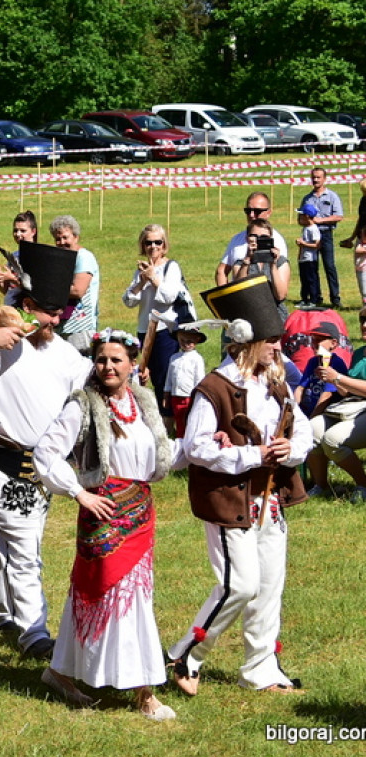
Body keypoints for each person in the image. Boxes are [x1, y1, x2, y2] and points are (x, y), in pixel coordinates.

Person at [0, 242, 91, 658]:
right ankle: (33, 633)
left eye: (61, 311)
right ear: (26, 305)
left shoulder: (65, 355)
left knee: (14, 540)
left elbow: (89, 391)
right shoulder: (2, 344)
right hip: (4, 459)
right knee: (24, 548)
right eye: (48, 310)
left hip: (44, 467)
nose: (56, 319)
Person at [167, 275, 311, 696]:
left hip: (271, 500)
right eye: (270, 340)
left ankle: (261, 669)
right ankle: (186, 654)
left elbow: (302, 432)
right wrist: (253, 456)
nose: (278, 347)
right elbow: (195, 448)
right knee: (240, 584)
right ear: (246, 340)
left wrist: (289, 449)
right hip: (230, 500)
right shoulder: (213, 388)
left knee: (268, 587)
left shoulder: (275, 381)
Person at [34, 329, 179, 720]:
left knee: (135, 601)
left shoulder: (143, 402)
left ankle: (103, 678)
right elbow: (46, 454)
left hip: (140, 513)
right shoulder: (83, 406)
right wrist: (79, 493)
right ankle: (135, 689)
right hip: (102, 511)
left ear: (133, 365)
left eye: (116, 359)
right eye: (101, 359)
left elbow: (158, 455)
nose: (108, 366)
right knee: (99, 595)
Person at [121, 224, 185, 410]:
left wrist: (154, 278)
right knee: (145, 376)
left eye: (158, 242)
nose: (153, 246)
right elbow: (128, 301)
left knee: (164, 378)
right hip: (144, 330)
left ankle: (168, 419)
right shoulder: (141, 271)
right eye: (148, 242)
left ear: (164, 244)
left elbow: (168, 297)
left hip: (165, 331)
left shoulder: (171, 268)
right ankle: (152, 414)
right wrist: (141, 282)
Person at [306, 307, 366, 500]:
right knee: (311, 429)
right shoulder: (359, 354)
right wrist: (332, 381)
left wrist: (338, 377)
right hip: (351, 407)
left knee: (333, 439)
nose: (364, 325)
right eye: (362, 320)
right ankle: (321, 485)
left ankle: (363, 485)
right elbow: (347, 390)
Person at [215, 192, 289, 287]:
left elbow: (282, 278)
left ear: (268, 213)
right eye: (248, 211)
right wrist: (225, 297)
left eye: (257, 211)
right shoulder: (237, 239)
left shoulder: (277, 241)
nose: (252, 215)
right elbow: (222, 270)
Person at [50, 215, 100, 354]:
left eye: (66, 237)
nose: (61, 242)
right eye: (58, 239)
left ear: (76, 237)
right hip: (62, 325)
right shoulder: (62, 259)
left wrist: (48, 288)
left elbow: (78, 290)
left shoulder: (83, 257)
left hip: (80, 327)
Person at [232, 219, 291, 322]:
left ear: (270, 238)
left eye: (264, 237)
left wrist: (273, 264)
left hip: (275, 317)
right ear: (247, 238)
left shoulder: (281, 262)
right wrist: (247, 260)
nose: (258, 240)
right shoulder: (240, 263)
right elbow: (239, 291)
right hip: (249, 318)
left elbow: (281, 295)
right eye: (254, 236)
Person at [301, 167, 344, 308]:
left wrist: (320, 220)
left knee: (329, 266)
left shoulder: (332, 196)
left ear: (325, 179)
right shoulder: (307, 198)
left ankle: (335, 298)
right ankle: (315, 296)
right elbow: (300, 219)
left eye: (319, 177)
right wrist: (307, 222)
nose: (316, 180)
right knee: (312, 267)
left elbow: (339, 216)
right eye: (313, 177)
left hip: (325, 234)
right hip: (310, 235)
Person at [0, 211, 39, 305]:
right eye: (15, 230)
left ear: (33, 231)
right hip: (10, 308)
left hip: (27, 310)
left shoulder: (39, 256)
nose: (18, 234)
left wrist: (13, 279)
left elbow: (35, 290)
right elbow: (7, 291)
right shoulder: (14, 256)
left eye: (23, 230)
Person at [293, 322, 347, 418]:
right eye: (313, 339)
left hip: (327, 413)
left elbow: (326, 395)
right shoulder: (313, 362)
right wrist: (294, 411)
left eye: (319, 340)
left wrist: (311, 419)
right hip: (309, 409)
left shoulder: (336, 364)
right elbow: (300, 389)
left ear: (333, 343)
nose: (314, 344)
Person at [163, 325, 207, 439]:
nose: (186, 344)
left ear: (196, 341)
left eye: (190, 341)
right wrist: (166, 394)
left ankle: (189, 441)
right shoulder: (174, 358)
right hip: (175, 396)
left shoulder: (197, 359)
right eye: (182, 340)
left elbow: (199, 379)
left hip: (189, 396)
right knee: (179, 420)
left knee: (189, 421)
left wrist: (197, 396)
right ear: (177, 339)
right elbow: (169, 378)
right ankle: (179, 440)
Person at [295, 203, 322, 307]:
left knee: (311, 279)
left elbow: (317, 245)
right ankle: (304, 299)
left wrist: (303, 243)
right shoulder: (306, 228)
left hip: (310, 259)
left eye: (301, 215)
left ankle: (313, 300)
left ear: (306, 216)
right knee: (304, 279)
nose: (299, 218)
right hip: (303, 258)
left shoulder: (313, 229)